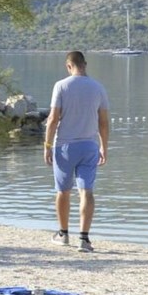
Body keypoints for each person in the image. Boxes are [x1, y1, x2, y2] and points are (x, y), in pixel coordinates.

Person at [43, 50, 109, 252]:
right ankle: (84, 239)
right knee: (86, 191)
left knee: (63, 191)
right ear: (85, 64)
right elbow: (103, 122)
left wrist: (47, 146)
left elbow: (53, 119)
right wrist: (104, 147)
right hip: (89, 146)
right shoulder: (98, 87)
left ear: (68, 66)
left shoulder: (61, 86)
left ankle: (63, 234)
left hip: (64, 146)